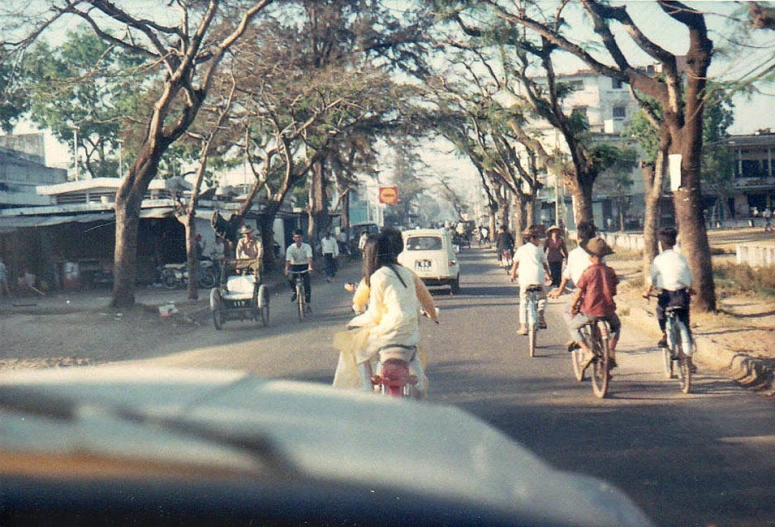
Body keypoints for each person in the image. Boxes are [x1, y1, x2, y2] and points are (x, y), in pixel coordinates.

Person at [333, 232, 439, 393]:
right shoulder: (406, 273)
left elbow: (374, 314)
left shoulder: (377, 276)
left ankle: (367, 389)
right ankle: (419, 387)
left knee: (357, 348)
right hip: (411, 333)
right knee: (414, 359)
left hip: (390, 332)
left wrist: (353, 322)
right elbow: (426, 299)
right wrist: (433, 315)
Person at [642, 227, 695, 365]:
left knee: (660, 312)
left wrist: (647, 291)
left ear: (661, 244)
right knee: (685, 320)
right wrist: (691, 288)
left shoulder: (659, 259)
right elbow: (687, 277)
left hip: (666, 296)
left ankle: (664, 333)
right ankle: (689, 358)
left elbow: (651, 278)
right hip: (682, 295)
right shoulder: (682, 258)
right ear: (674, 241)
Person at [568, 237, 622, 369]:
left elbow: (579, 292)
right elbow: (613, 291)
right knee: (616, 326)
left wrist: (573, 307)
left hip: (590, 312)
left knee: (573, 327)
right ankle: (611, 350)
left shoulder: (588, 272)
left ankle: (587, 352)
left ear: (590, 256)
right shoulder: (610, 271)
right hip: (608, 311)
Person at [547, 221, 598, 350]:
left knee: (568, 311)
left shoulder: (575, 253)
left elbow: (567, 275)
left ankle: (578, 339)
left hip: (582, 292)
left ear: (579, 237)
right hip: (599, 291)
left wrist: (559, 291)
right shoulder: (599, 253)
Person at [509, 225, 551, 335]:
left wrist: (513, 274)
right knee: (542, 298)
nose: (539, 241)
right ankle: (541, 315)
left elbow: (515, 264)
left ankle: (523, 326)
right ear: (532, 239)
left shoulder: (521, 250)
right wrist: (549, 276)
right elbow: (545, 265)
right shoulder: (539, 250)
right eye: (537, 238)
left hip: (525, 280)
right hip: (538, 278)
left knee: (523, 301)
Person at [285, 229, 314, 305]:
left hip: (304, 265)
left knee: (307, 283)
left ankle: (307, 302)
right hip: (294, 266)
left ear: (302, 238)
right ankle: (294, 291)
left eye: (299, 237)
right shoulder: (290, 248)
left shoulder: (307, 247)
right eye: (296, 237)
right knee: (290, 278)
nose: (298, 239)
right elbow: (288, 259)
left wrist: (310, 266)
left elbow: (309, 257)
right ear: (293, 238)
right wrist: (286, 268)